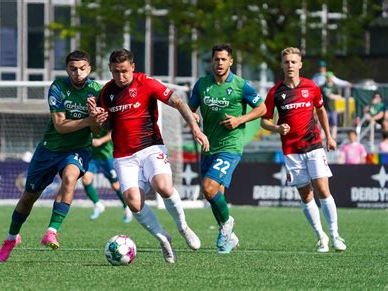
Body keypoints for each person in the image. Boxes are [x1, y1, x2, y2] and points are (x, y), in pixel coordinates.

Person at [96, 48, 209, 263]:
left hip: (151, 147)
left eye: (125, 71)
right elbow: (101, 129)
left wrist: (194, 127)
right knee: (133, 202)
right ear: (110, 69)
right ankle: (163, 238)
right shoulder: (106, 93)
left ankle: (183, 227)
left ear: (133, 67)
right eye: (116, 72)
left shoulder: (146, 83)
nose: (121, 76)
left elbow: (177, 101)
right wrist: (96, 121)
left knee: (164, 186)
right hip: (124, 155)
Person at [0, 50, 107, 262]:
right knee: (29, 197)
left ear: (89, 69)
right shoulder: (58, 87)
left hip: (78, 149)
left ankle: (51, 231)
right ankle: (11, 238)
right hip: (49, 149)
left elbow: (95, 132)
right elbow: (60, 125)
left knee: (70, 178)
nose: (78, 73)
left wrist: (96, 120)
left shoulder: (97, 91)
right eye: (73, 69)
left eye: (82, 68)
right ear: (67, 70)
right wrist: (89, 120)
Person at [261, 47, 347, 253]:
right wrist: (276, 127)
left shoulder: (311, 87)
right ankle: (321, 237)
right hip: (291, 150)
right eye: (286, 62)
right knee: (305, 194)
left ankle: (335, 234)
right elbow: (264, 121)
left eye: (293, 62)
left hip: (314, 145)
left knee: (323, 189)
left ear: (300, 64)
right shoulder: (275, 92)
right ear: (282, 65)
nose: (290, 65)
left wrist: (329, 136)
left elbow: (321, 110)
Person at [188, 43, 266, 254]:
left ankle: (227, 223)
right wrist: (193, 117)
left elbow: (262, 108)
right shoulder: (202, 84)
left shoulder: (242, 85)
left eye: (224, 59)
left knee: (208, 188)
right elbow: (190, 109)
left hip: (230, 146)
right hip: (208, 146)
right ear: (212, 62)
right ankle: (228, 236)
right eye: (216, 59)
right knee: (214, 194)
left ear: (230, 61)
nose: (220, 63)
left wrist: (240, 119)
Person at [83, 129, 133, 223]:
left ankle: (127, 207)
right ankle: (98, 205)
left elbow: (114, 131)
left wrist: (100, 140)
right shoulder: (87, 118)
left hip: (107, 157)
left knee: (116, 185)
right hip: (92, 157)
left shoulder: (107, 117)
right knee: (86, 179)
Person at [321, 71, 343, 140]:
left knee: (334, 124)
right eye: (328, 77)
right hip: (325, 108)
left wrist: (332, 96)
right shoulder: (323, 86)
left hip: (333, 109)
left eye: (330, 77)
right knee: (324, 124)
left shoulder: (335, 87)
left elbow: (340, 97)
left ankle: (334, 138)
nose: (329, 79)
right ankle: (323, 139)